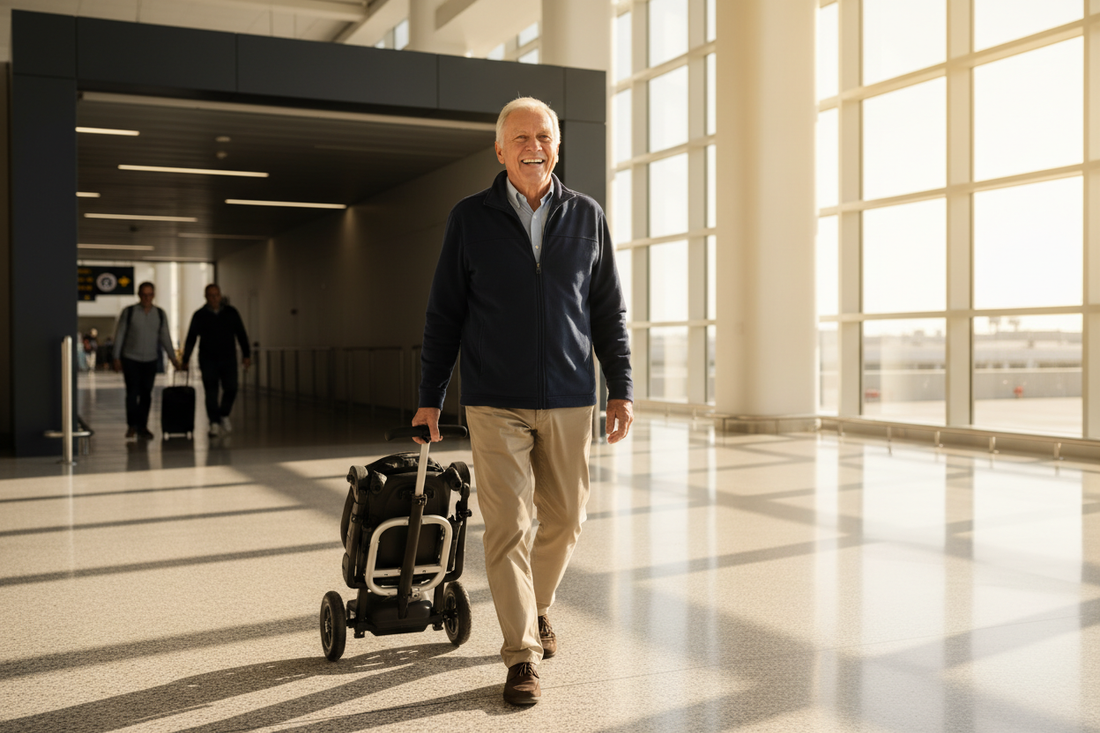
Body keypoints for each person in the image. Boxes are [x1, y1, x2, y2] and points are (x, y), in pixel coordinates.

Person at [412, 97, 634, 706]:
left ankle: (537, 608)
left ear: (557, 145)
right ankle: (520, 656)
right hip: (494, 401)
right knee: (508, 526)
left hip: (569, 398)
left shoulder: (587, 217)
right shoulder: (469, 219)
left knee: (566, 520)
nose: (533, 145)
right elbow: (444, 315)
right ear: (500, 149)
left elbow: (608, 312)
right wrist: (429, 397)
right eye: (520, 137)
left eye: (544, 135)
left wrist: (621, 389)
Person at [113, 281, 181, 440]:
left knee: (146, 394)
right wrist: (116, 357)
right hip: (131, 358)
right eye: (144, 294)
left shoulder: (159, 314)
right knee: (132, 393)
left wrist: (173, 358)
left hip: (150, 360)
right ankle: (131, 426)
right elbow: (120, 334)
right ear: (139, 295)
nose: (147, 298)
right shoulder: (129, 312)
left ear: (153, 295)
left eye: (150, 295)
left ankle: (142, 426)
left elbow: (165, 337)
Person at [180, 284, 251, 437]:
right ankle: (214, 422)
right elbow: (191, 337)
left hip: (228, 358)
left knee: (231, 388)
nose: (214, 298)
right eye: (211, 295)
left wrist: (247, 354)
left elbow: (241, 333)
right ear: (205, 297)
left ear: (220, 295)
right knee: (211, 392)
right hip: (208, 360)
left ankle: (223, 414)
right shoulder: (199, 315)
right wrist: (186, 359)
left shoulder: (231, 313)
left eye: (216, 295)